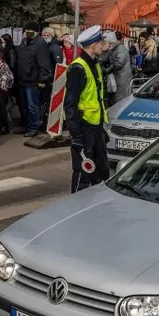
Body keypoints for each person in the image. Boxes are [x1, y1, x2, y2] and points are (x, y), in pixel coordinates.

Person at [63, 25, 111, 193]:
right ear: (92, 45)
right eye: (101, 43)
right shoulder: (78, 68)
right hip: (83, 129)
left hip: (96, 127)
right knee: (83, 173)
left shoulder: (95, 65)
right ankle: (77, 208)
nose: (103, 46)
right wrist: (76, 134)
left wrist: (100, 129)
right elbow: (70, 103)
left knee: (102, 172)